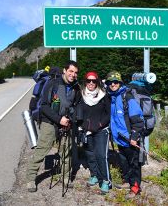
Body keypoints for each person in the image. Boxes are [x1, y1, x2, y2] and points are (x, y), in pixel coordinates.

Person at [26, 60, 80, 192]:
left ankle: (66, 177)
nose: (73, 75)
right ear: (64, 70)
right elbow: (44, 106)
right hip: (49, 122)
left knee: (66, 151)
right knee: (42, 150)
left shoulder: (76, 87)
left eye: (75, 72)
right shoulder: (52, 84)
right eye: (71, 71)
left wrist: (71, 119)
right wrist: (58, 119)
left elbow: (77, 106)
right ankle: (30, 178)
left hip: (66, 123)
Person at [106, 70, 145, 198]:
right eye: (110, 82)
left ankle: (135, 187)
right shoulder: (112, 97)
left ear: (120, 83)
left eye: (115, 82)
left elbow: (138, 120)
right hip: (120, 139)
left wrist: (134, 136)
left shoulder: (126, 97)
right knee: (124, 162)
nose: (113, 84)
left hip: (130, 139)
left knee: (134, 164)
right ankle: (127, 181)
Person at [78, 71, 111, 193]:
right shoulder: (81, 95)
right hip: (86, 131)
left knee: (101, 155)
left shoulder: (104, 96)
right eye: (88, 80)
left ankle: (106, 181)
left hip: (101, 130)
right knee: (90, 154)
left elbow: (109, 114)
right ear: (85, 82)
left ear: (97, 82)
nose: (91, 83)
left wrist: (100, 124)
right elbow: (77, 111)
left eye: (93, 81)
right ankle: (95, 175)